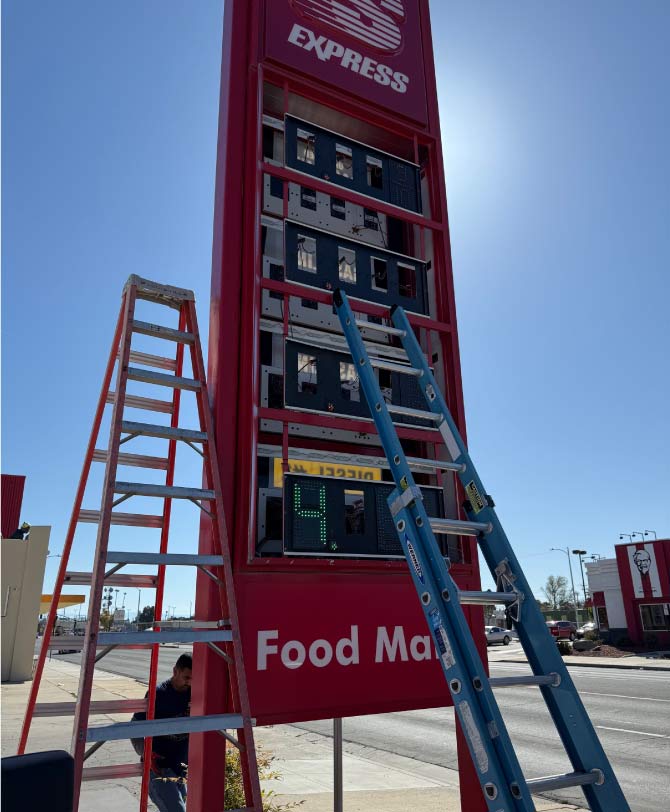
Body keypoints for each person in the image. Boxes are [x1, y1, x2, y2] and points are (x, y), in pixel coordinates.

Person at [131, 653, 192, 812]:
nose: (190, 682)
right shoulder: (158, 694)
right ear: (175, 671)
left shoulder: (194, 693)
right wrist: (146, 752)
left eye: (193, 678)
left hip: (181, 768)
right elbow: (135, 726)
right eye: (186, 677)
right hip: (159, 769)